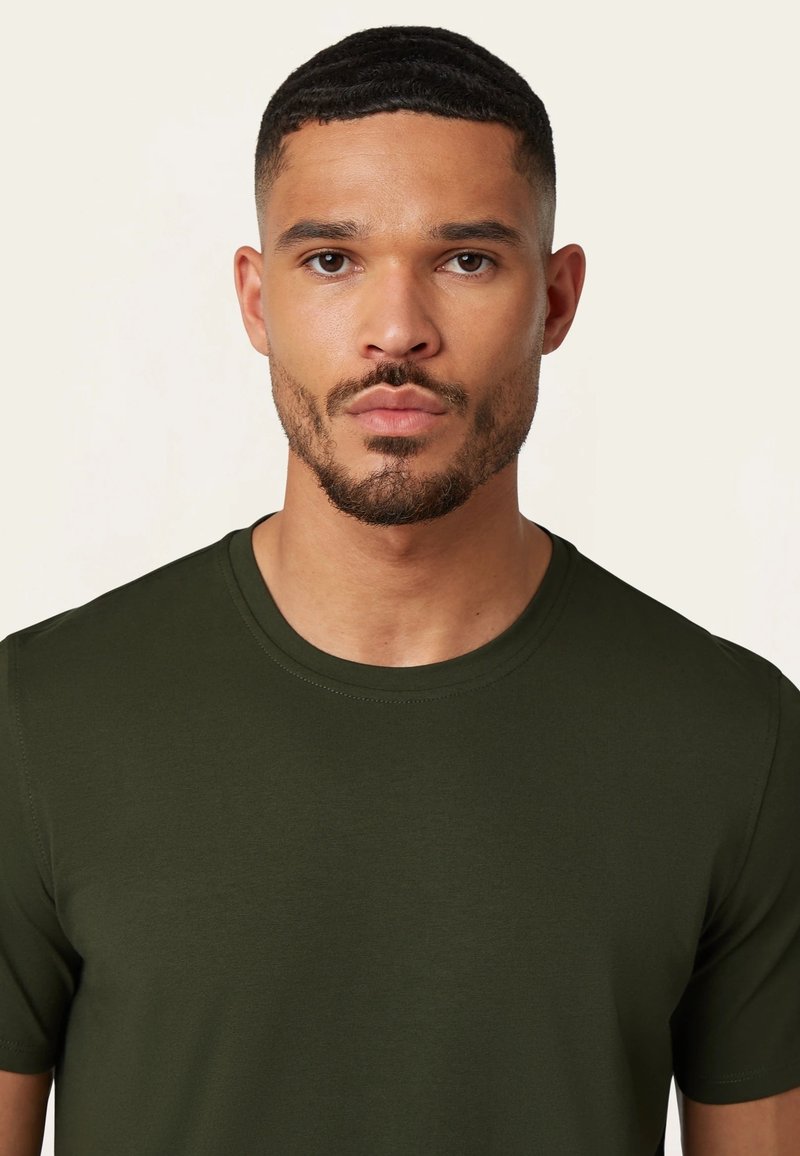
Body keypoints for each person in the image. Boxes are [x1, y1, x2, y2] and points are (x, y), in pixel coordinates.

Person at [1, 25, 798, 1156]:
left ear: (556, 299)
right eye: (331, 260)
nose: (396, 332)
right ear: (256, 299)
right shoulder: (37, 719)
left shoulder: (736, 741)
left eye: (465, 259)